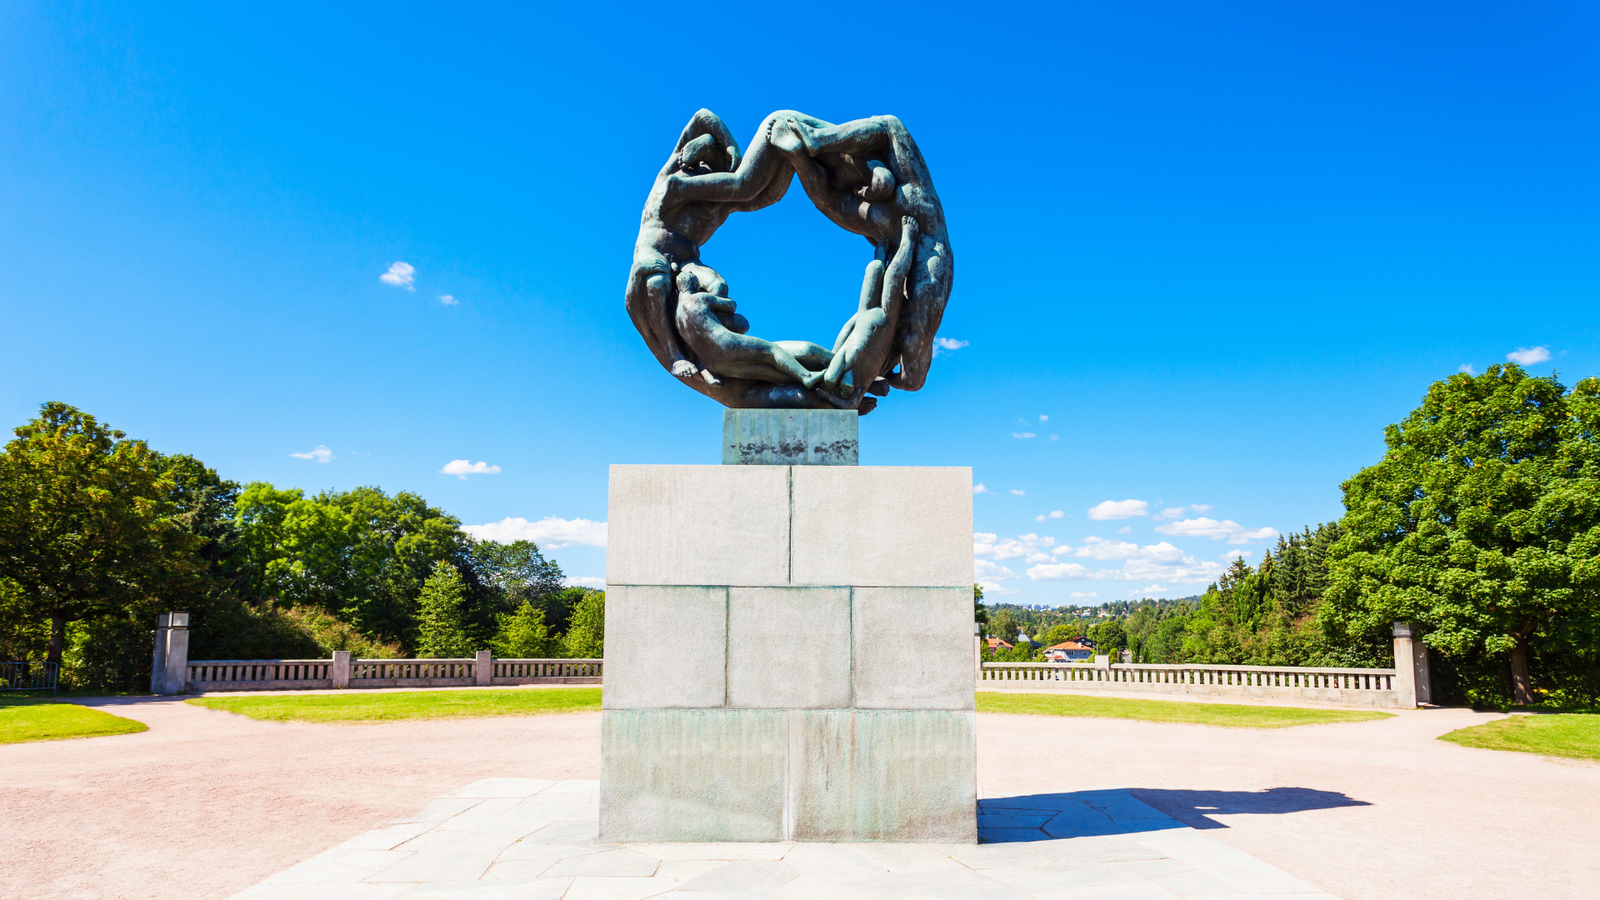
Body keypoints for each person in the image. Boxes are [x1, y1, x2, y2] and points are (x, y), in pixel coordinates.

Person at [770, 115, 954, 392]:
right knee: (888, 131)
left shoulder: (876, 329)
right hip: (916, 232)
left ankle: (805, 152)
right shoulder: (877, 329)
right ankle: (809, 148)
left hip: (904, 229)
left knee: (889, 130)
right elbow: (912, 375)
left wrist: (880, 380)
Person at [673, 263, 832, 388]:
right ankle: (806, 376)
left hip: (713, 362)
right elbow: (730, 306)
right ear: (694, 284)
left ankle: (800, 381)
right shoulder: (697, 299)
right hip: (726, 345)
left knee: (764, 371)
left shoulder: (678, 315)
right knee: (771, 350)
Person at [818, 215, 919, 407]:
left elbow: (848, 329)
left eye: (839, 388)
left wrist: (825, 386)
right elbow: (848, 404)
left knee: (873, 270)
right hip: (887, 318)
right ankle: (909, 238)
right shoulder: (862, 383)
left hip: (865, 312)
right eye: (843, 392)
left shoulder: (842, 359)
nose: (844, 390)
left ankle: (880, 256)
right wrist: (833, 397)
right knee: (894, 276)